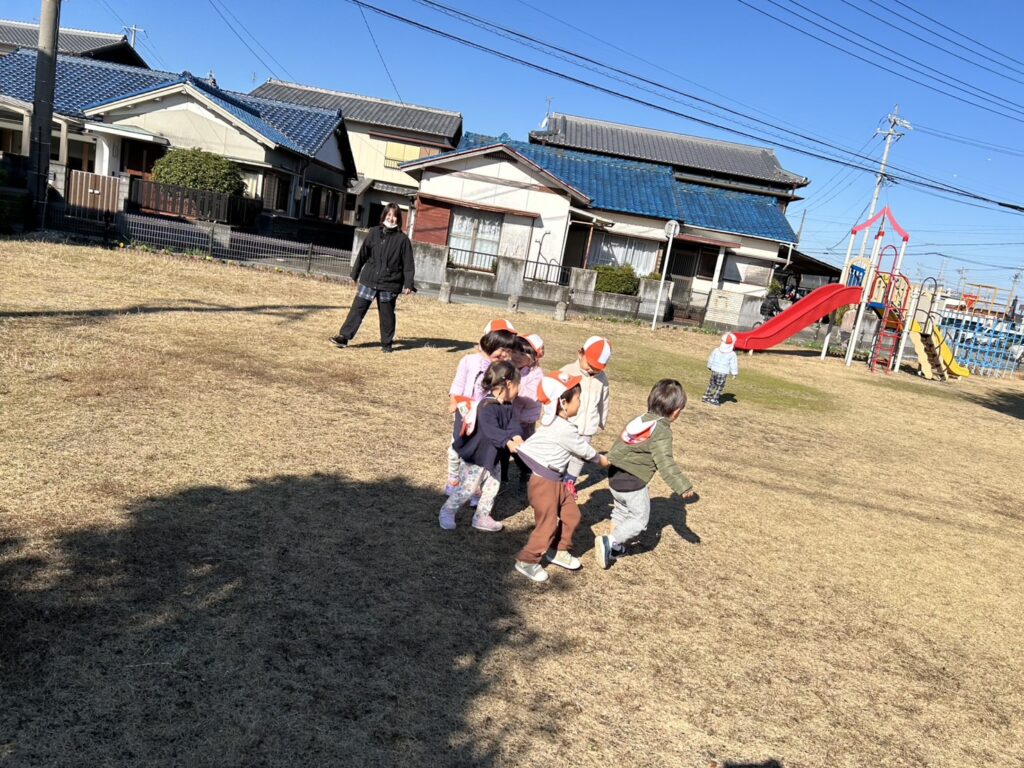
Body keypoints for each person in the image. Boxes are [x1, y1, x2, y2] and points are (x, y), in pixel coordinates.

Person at [514, 372, 611, 583]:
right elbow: (583, 450)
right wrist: (602, 460)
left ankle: (558, 550)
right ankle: (527, 560)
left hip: (557, 482)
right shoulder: (562, 428)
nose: (580, 402)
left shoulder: (559, 425)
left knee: (572, 515)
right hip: (545, 484)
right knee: (547, 525)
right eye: (578, 398)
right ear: (563, 403)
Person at [595, 379, 696, 569]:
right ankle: (610, 541)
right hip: (634, 482)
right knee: (639, 520)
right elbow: (665, 462)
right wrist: (682, 486)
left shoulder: (640, 420)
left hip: (616, 477)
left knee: (621, 511)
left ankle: (613, 548)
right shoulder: (661, 431)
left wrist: (609, 461)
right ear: (676, 411)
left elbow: (619, 444)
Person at [440, 362, 523, 532]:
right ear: (508, 384)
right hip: (477, 457)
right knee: (467, 489)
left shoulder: (507, 406)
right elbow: (492, 430)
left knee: (492, 487)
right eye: (518, 385)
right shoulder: (486, 406)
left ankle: (482, 516)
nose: (519, 390)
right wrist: (508, 442)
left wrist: (517, 437)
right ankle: (447, 511)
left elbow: (512, 424)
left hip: (493, 457)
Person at [445, 321, 518, 496]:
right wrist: (454, 400)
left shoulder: (503, 369)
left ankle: (475, 487)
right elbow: (458, 382)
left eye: (508, 350)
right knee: (456, 447)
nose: (504, 354)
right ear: (488, 342)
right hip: (465, 412)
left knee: (478, 452)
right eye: (501, 348)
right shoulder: (468, 361)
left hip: (486, 415)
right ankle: (453, 478)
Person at [329, 203, 414, 353]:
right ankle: (344, 337)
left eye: (394, 216)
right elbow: (363, 254)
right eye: (389, 215)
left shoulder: (403, 240)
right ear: (384, 216)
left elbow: (408, 263)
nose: (391, 218)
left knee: (387, 316)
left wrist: (408, 283)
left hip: (390, 283)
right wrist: (354, 274)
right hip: (369, 278)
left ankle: (386, 344)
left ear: (398, 219)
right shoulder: (374, 232)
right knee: (357, 309)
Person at [559, 336, 612, 498]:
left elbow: (604, 401)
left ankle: (569, 481)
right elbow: (555, 394)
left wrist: (601, 420)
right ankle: (555, 477)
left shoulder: (602, 379)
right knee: (562, 451)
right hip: (568, 423)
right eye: (590, 365)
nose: (591, 370)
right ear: (580, 353)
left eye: (597, 368)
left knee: (579, 456)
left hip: (588, 426)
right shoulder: (567, 372)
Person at [703, 332, 739, 408]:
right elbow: (733, 364)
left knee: (712, 384)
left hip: (714, 370)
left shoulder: (716, 350)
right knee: (720, 386)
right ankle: (714, 399)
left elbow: (711, 358)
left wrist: (709, 366)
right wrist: (734, 373)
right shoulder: (732, 354)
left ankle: (706, 396)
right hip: (722, 372)